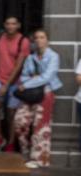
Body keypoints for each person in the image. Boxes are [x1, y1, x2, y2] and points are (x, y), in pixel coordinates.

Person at [13, 28, 61, 168]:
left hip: (45, 93)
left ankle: (40, 159)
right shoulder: (30, 57)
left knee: (41, 126)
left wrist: (28, 82)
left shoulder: (53, 56)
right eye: (37, 37)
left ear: (47, 40)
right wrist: (31, 80)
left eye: (42, 37)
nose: (39, 40)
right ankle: (26, 151)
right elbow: (23, 75)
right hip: (29, 93)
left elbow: (47, 77)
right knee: (20, 121)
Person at [0, 14, 29, 151]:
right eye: (8, 23)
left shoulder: (23, 41)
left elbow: (18, 66)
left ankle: (11, 142)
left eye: (13, 24)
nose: (10, 26)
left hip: (15, 82)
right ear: (4, 25)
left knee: (11, 114)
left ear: (18, 25)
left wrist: (7, 85)